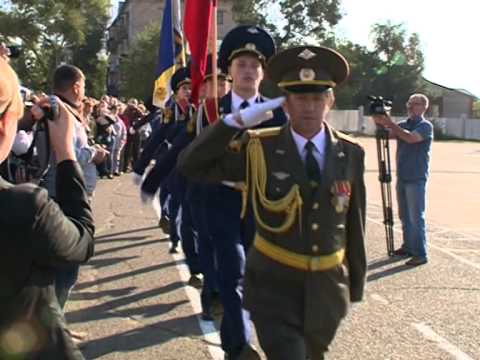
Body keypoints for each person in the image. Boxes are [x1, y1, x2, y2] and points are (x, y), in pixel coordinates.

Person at [178, 45, 367, 360]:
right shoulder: (258, 149)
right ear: (285, 103)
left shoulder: (350, 153)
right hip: (274, 284)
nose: (309, 107)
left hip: (326, 287)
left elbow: (353, 222)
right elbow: (191, 165)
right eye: (300, 98)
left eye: (317, 98)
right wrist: (231, 124)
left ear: (330, 101)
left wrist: (356, 284)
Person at [0, 57, 94, 359]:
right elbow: (82, 242)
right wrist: (67, 153)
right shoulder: (26, 207)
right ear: (5, 125)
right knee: (63, 274)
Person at [373, 93, 433, 266]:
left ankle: (420, 253)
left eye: (414, 104)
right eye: (409, 104)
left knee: (416, 217)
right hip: (403, 176)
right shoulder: (403, 124)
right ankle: (408, 247)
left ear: (423, 107)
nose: (410, 107)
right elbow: (384, 134)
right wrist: (378, 118)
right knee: (404, 216)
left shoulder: (425, 126)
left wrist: (390, 123)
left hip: (416, 177)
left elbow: (410, 138)